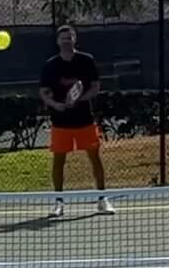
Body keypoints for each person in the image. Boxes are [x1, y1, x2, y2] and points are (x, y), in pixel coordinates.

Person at [38, 25, 114, 215]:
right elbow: (43, 92)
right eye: (63, 38)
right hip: (60, 122)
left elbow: (95, 87)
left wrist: (79, 99)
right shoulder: (50, 65)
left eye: (69, 37)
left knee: (95, 158)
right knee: (58, 161)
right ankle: (59, 203)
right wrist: (56, 105)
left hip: (84, 120)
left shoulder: (86, 61)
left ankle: (102, 199)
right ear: (58, 42)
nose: (66, 41)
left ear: (75, 39)